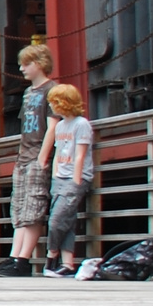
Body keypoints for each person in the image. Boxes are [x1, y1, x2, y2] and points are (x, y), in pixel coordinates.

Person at [0, 42, 60, 277]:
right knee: (19, 208)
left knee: (33, 207)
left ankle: (23, 259)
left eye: (26, 64)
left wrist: (42, 158)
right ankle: (14, 256)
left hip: (37, 156)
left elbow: (52, 127)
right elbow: (25, 127)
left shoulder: (53, 90)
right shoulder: (29, 93)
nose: (21, 68)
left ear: (38, 64)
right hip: (24, 155)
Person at [42, 84, 96, 278]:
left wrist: (76, 180)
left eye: (54, 103)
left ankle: (51, 257)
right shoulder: (60, 126)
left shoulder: (81, 124)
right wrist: (56, 176)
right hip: (61, 178)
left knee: (56, 220)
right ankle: (67, 264)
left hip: (75, 177)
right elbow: (57, 153)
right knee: (67, 220)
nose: (52, 107)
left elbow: (80, 155)